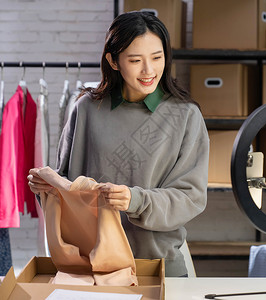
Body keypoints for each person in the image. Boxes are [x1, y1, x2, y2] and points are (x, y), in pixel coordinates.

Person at [28, 11, 209, 277]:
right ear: (113, 61)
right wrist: (46, 188)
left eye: (157, 58)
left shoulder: (185, 115)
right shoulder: (87, 109)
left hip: (157, 267)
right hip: (91, 268)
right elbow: (66, 186)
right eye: (135, 60)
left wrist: (135, 200)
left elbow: (190, 198)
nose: (149, 70)